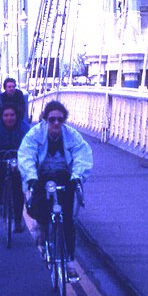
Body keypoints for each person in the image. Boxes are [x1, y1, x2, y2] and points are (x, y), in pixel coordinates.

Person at [18, 100, 92, 280]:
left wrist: (77, 177)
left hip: (64, 176)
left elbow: (82, 155)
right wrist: (31, 178)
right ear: (46, 120)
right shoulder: (35, 134)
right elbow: (26, 156)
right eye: (52, 120)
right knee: (38, 211)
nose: (56, 123)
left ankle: (70, 262)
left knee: (68, 220)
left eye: (60, 119)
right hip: (41, 176)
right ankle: (42, 227)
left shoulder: (71, 135)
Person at [0, 104, 30, 233]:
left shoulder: (23, 127)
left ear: (17, 116)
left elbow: (28, 145)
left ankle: (17, 220)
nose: (9, 118)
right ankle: (1, 197)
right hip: (1, 155)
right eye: (6, 115)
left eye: (12, 115)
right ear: (1, 116)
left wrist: (26, 159)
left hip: (18, 156)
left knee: (18, 189)